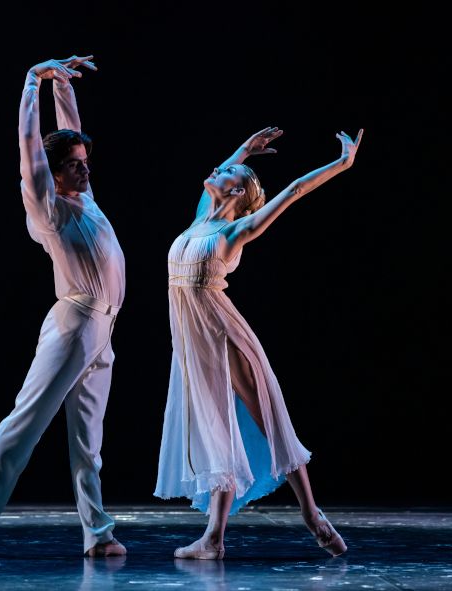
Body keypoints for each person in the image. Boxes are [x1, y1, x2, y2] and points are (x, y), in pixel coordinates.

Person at [0, 55, 127, 558]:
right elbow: (31, 149)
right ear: (53, 174)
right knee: (25, 424)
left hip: (101, 331)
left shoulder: (84, 196)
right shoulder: (49, 208)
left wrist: (63, 85)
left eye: (87, 163)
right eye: (73, 166)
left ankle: (98, 533)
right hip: (75, 324)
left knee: (88, 443)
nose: (84, 170)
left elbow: (72, 133)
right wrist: (32, 83)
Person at [154, 125, 364, 559]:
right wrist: (245, 150)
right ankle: (213, 538)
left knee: (268, 419)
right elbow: (222, 177)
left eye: (227, 171)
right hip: (193, 345)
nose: (216, 168)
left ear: (238, 192)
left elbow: (293, 191)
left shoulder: (233, 232)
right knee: (215, 433)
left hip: (223, 335)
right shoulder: (201, 219)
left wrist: (342, 164)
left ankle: (312, 514)